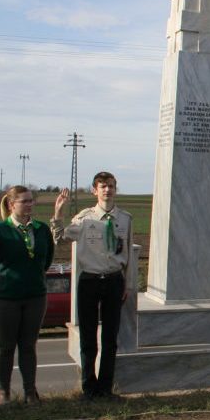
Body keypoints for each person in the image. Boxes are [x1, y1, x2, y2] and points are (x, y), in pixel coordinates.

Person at [51, 172, 133, 401]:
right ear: (94, 190)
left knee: (110, 338)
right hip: (90, 280)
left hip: (114, 280)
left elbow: (127, 254)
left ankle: (106, 389)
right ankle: (89, 388)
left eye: (111, 186)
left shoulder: (125, 218)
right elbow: (59, 237)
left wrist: (126, 282)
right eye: (103, 186)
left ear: (116, 189)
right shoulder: (85, 218)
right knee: (88, 338)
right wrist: (58, 212)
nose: (107, 190)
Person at [0, 186, 55, 406]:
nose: (29, 205)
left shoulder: (41, 229)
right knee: (6, 347)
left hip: (35, 296)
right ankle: (4, 393)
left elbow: (45, 260)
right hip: (4, 297)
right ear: (11, 205)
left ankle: (30, 393)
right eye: (24, 201)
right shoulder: (0, 229)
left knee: (28, 346)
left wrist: (33, 276)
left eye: (31, 201)